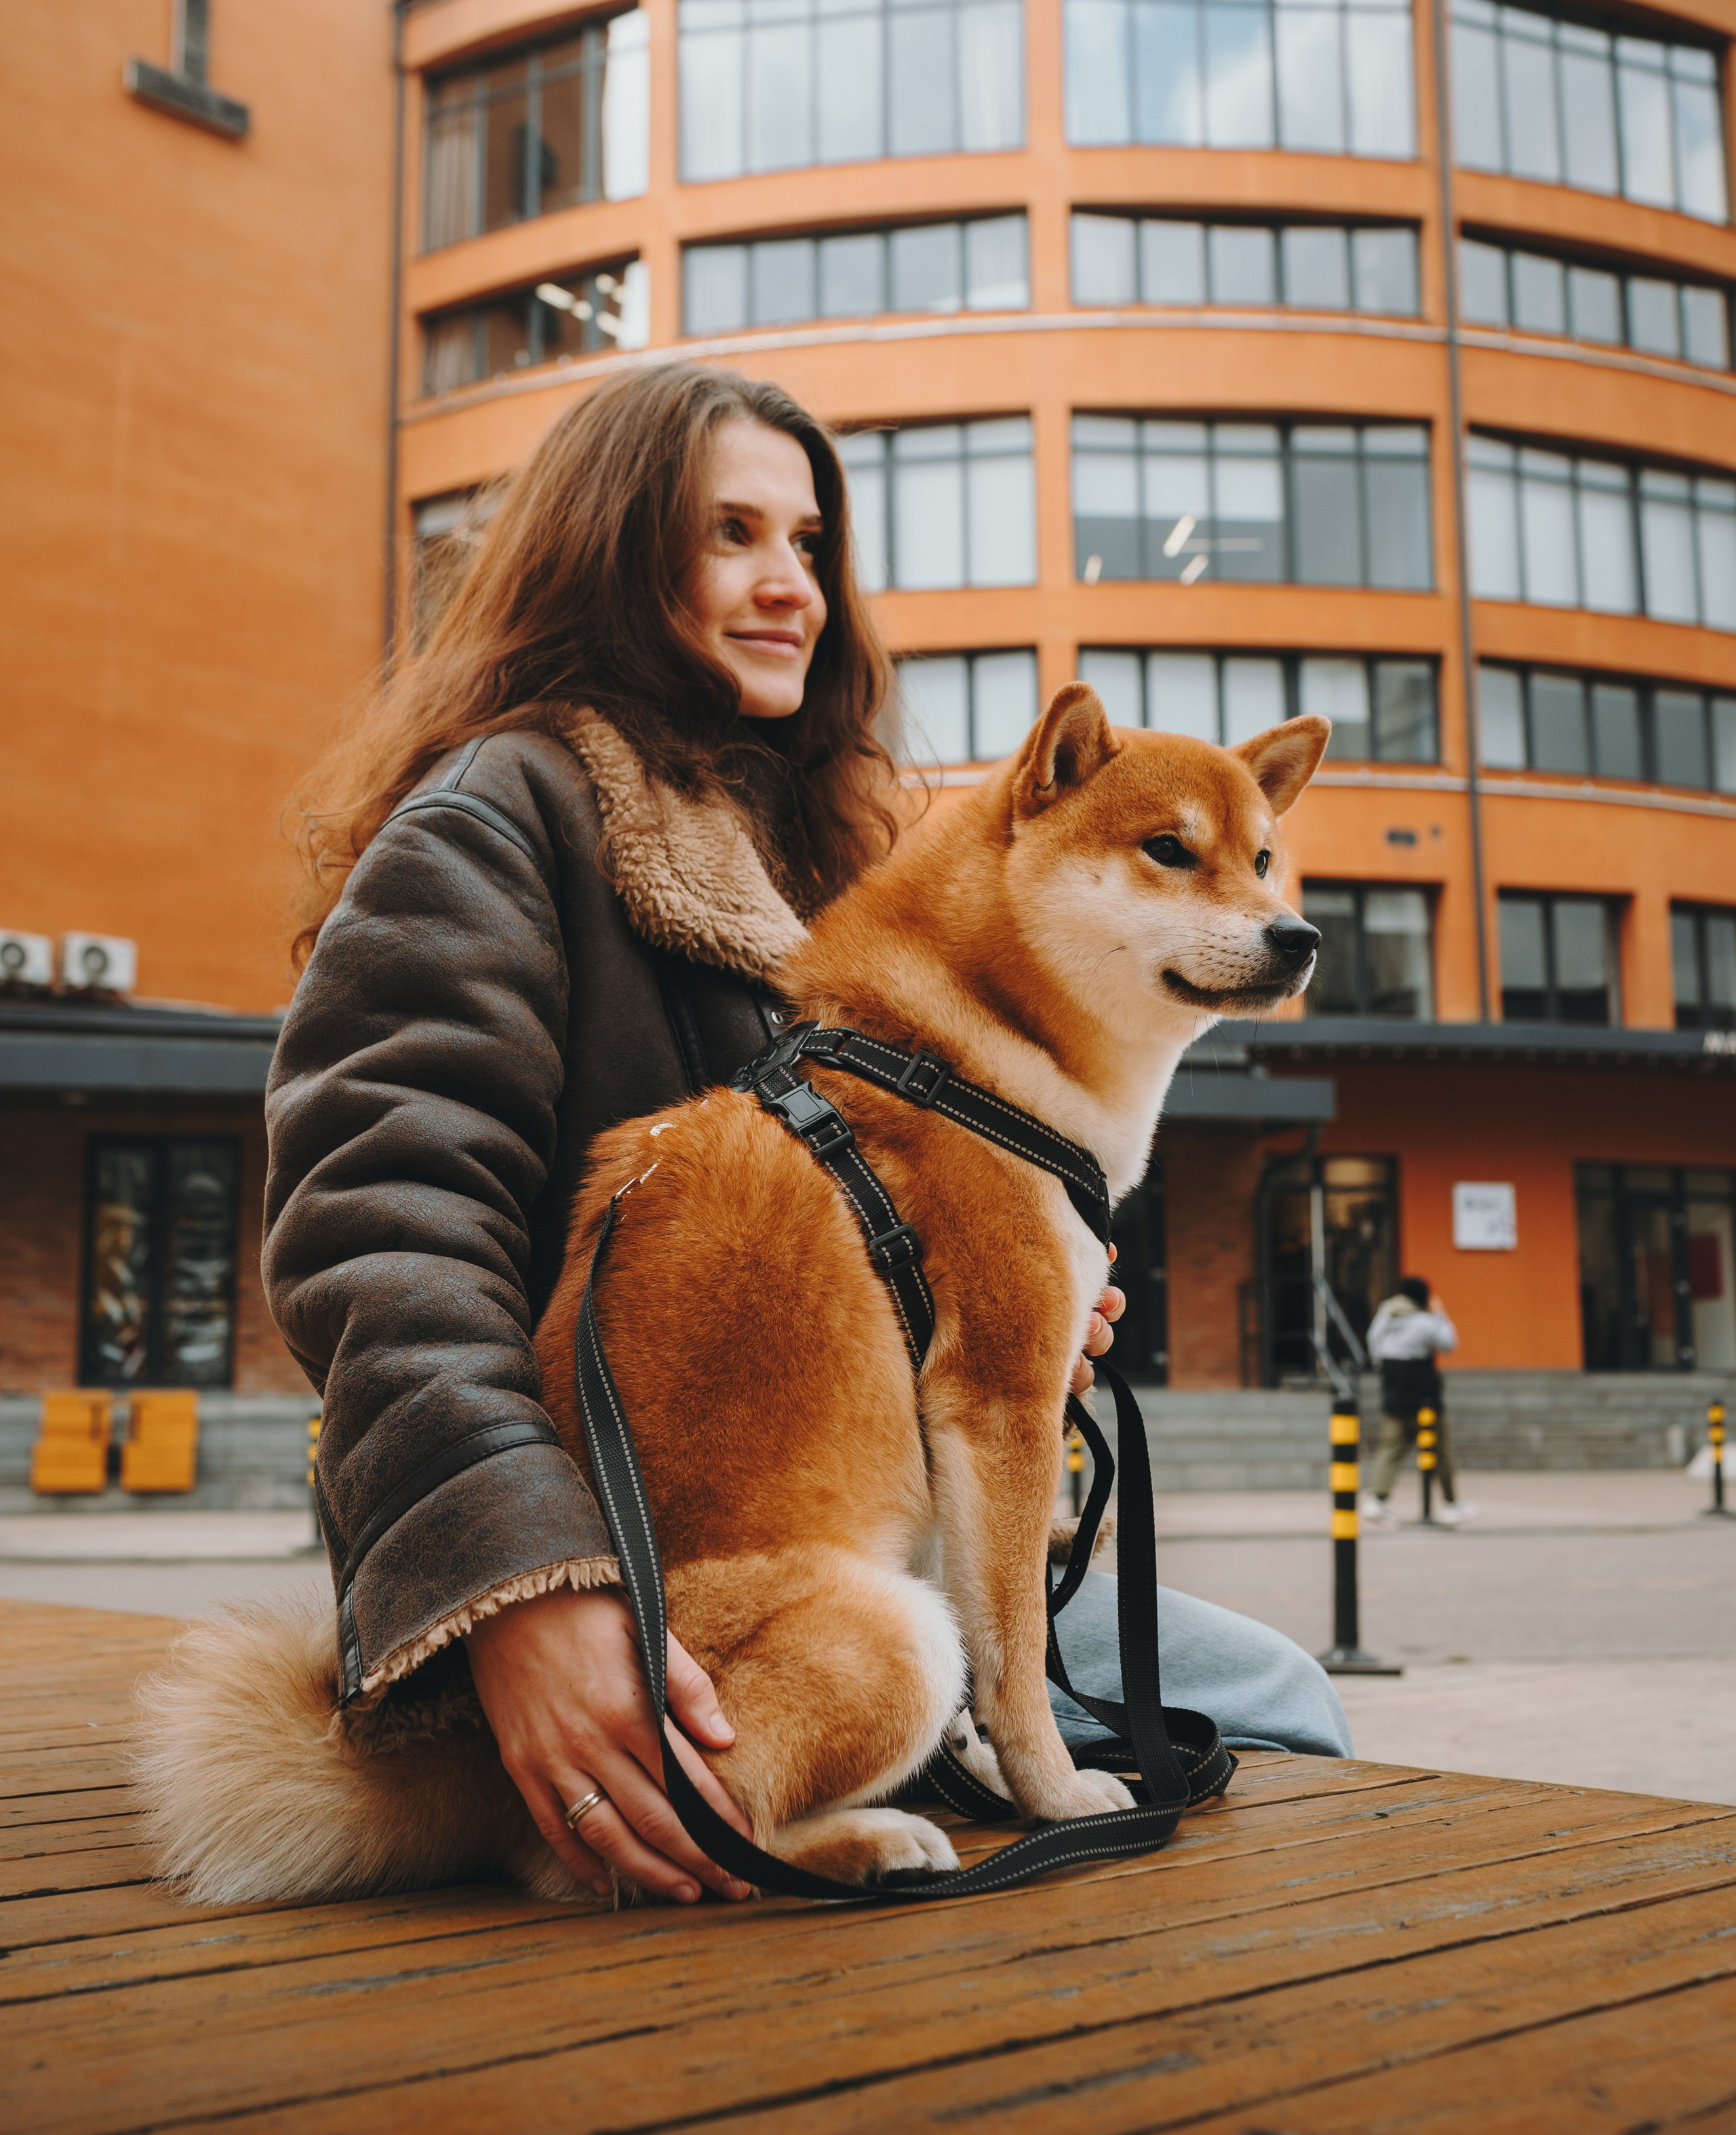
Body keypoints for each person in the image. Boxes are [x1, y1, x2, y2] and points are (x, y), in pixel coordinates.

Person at [267, 360, 1351, 1913]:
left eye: (811, 542)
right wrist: (523, 1591)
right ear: (606, 551)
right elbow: (380, 1235)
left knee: (1270, 1691)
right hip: (622, 1561)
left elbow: (839, 1247)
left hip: (840, 1541)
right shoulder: (496, 820)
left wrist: (981, 1298)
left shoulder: (825, 845)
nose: (790, 583)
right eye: (731, 534)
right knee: (1259, 1706)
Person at [1361, 1275, 1477, 1524]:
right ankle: (1451, 1504)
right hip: (1424, 1396)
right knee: (1440, 1449)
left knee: (1390, 1448)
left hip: (1393, 1391)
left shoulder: (1386, 1314)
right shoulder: (1424, 1322)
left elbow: (1373, 1343)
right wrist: (1440, 1315)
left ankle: (1377, 1502)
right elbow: (1449, 1344)